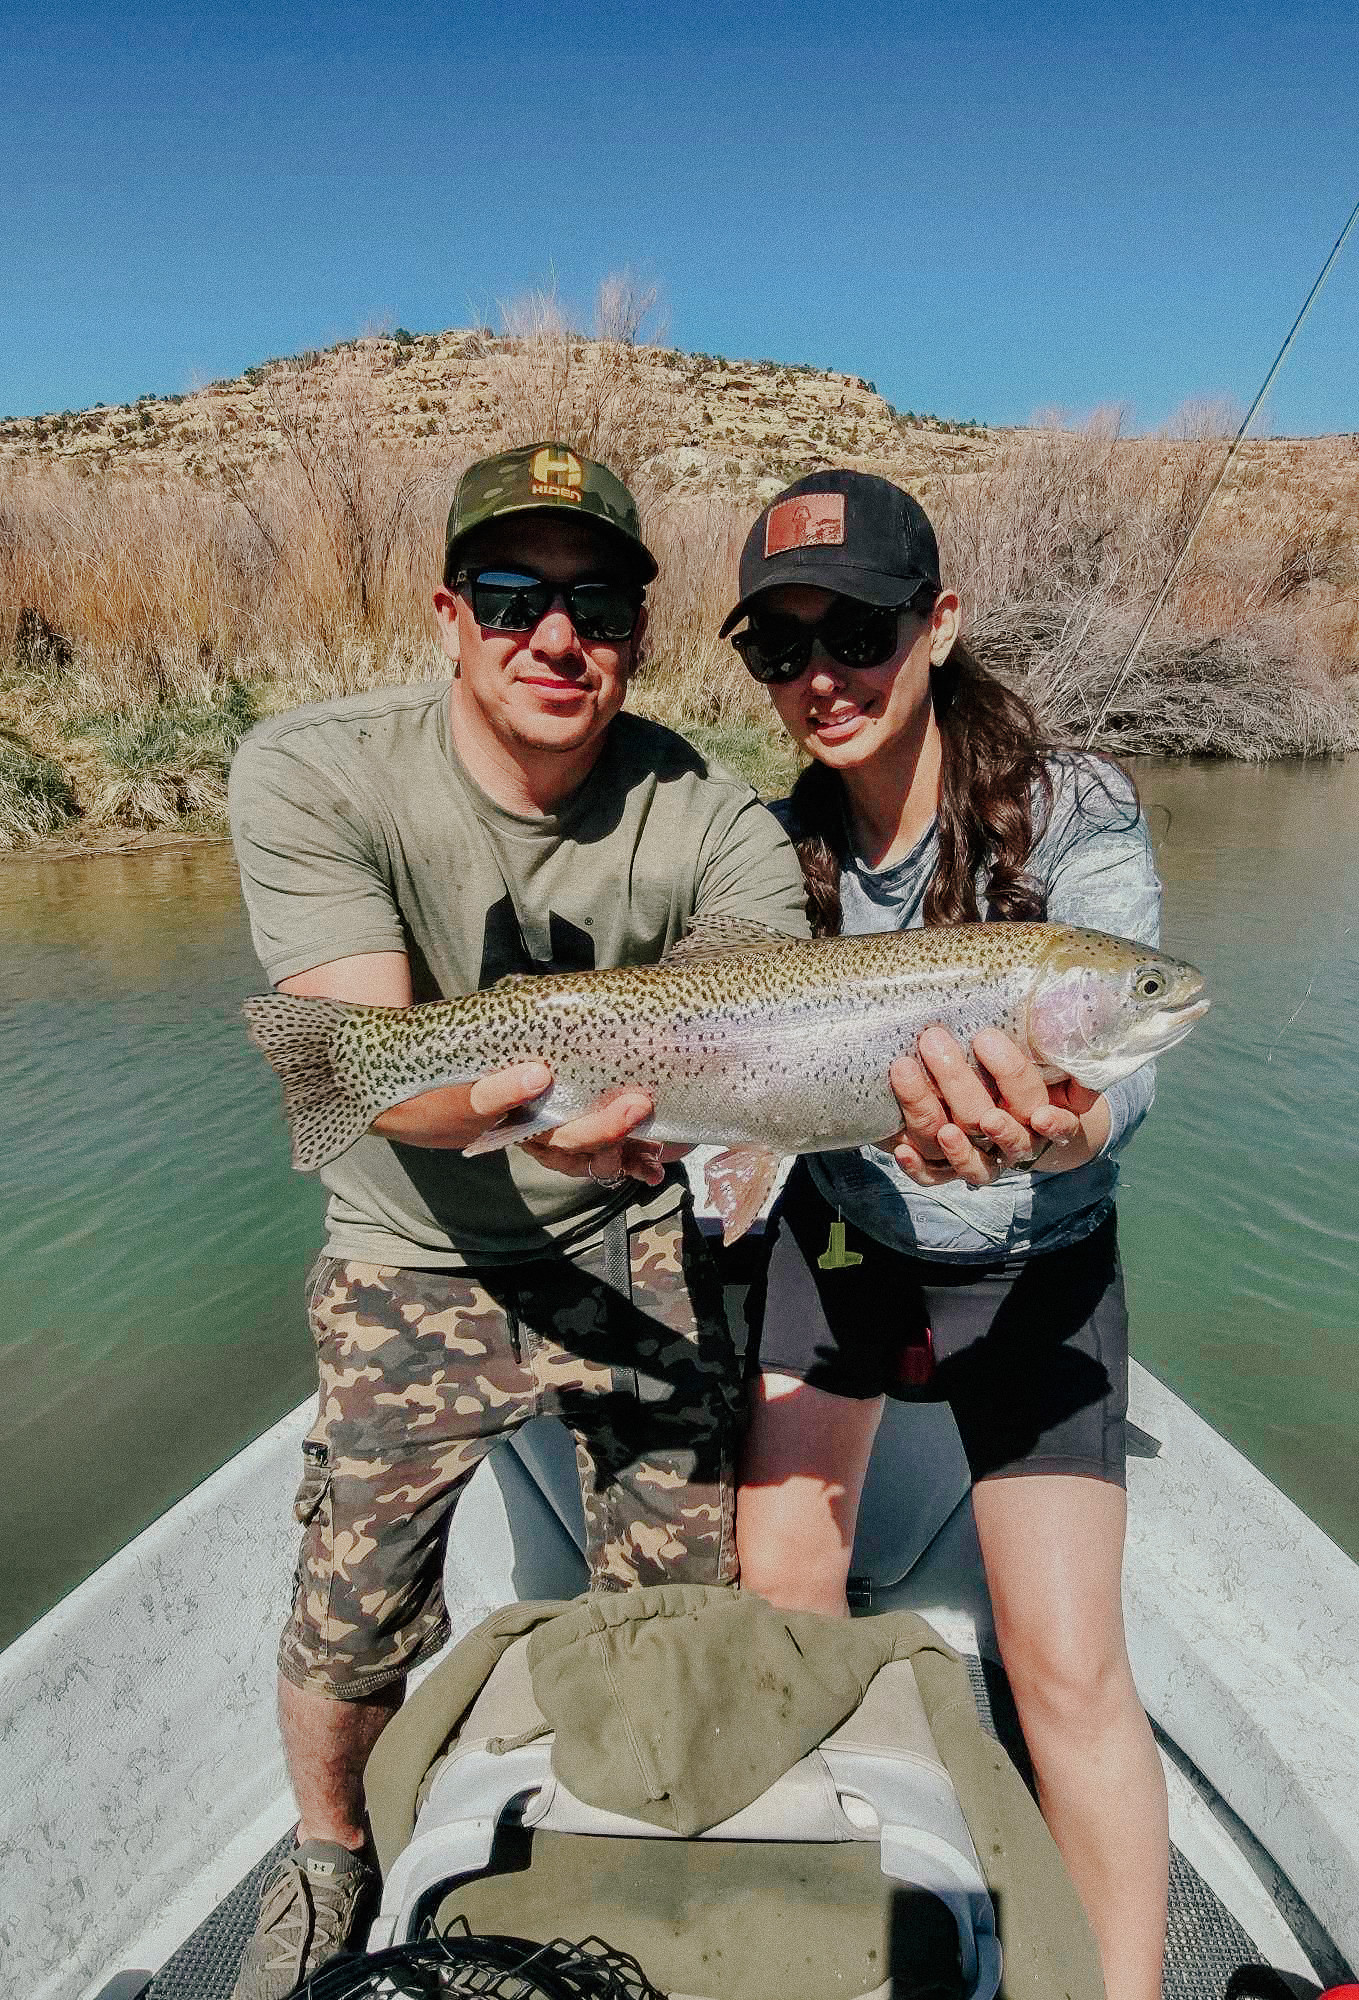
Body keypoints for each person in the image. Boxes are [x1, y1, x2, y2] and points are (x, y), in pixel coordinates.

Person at [226, 442, 809, 2000]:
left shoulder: (717, 818)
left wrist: (681, 1118)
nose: (556, 637)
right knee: (354, 1611)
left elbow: (753, 1021)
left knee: (681, 1593)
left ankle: (640, 1820)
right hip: (412, 1247)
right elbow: (366, 1066)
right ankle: (329, 1854)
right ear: (447, 615)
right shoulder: (312, 771)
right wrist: (527, 1105)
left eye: (598, 606)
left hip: (635, 1231)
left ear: (637, 632)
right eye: (510, 597)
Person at [727, 470, 1170, 2000]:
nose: (823, 676)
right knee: (783, 1593)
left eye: (857, 631)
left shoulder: (1077, 809)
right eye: (779, 647)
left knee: (1064, 1670)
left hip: (1039, 1270)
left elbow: (1130, 1060)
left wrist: (1059, 1130)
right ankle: (830, 1930)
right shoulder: (766, 847)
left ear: (940, 623)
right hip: (846, 1242)